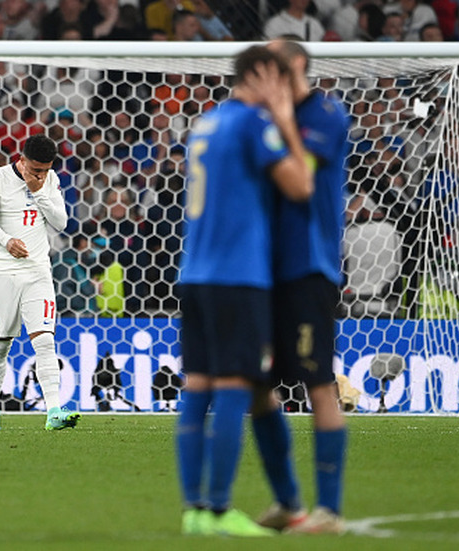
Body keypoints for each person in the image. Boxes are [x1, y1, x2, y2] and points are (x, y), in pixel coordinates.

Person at [176, 44, 312, 537]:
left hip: (195, 273)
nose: (283, 91)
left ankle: (193, 509)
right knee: (234, 387)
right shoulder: (255, 124)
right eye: (277, 79)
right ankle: (217, 509)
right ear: (258, 75)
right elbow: (301, 186)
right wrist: (283, 118)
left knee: (196, 386)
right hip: (238, 275)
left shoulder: (205, 124)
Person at [252, 38, 352, 535]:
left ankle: (328, 510)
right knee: (255, 384)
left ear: (295, 65)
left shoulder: (327, 115)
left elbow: (301, 175)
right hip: (263, 270)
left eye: (273, 61)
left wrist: (276, 117)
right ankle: (288, 501)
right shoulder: (269, 115)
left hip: (308, 267)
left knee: (319, 386)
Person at [0, 134, 79, 431]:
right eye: (35, 170)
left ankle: (53, 412)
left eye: (46, 170)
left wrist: (41, 192)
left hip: (37, 271)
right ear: (21, 161)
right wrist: (7, 241)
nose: (40, 175)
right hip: (4, 271)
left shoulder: (48, 182)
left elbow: (61, 223)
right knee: (0, 345)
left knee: (45, 341)